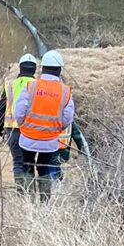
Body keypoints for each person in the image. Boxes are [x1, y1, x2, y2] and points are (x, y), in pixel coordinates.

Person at [13, 50, 75, 201]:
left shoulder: (31, 86)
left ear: (42, 68)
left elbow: (19, 111)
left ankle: (27, 200)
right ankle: (44, 201)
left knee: (27, 166)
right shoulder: (65, 92)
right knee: (44, 169)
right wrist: (56, 129)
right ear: (59, 69)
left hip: (27, 137)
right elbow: (67, 119)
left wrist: (24, 126)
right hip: (50, 141)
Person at [0, 54, 38, 194]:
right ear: (34, 69)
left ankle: (21, 192)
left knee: (17, 161)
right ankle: (31, 192)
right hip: (30, 131)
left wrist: (0, 128)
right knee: (29, 161)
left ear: (20, 68)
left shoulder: (10, 85)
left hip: (11, 130)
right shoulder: (38, 86)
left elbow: (2, 108)